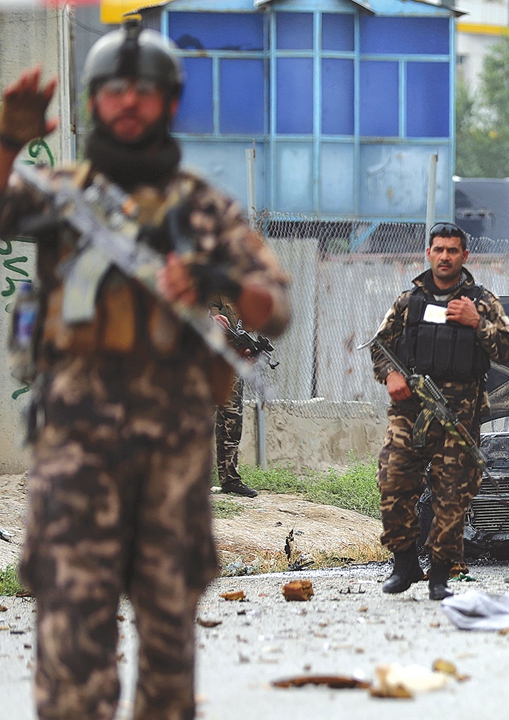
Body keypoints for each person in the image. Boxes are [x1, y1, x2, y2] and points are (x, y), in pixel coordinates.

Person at [2, 21, 290, 719]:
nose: (129, 102)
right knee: (71, 645)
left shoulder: (202, 206)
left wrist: (212, 271)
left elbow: (273, 303)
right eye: (114, 90)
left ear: (169, 101)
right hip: (76, 447)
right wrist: (9, 141)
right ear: (95, 100)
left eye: (144, 90)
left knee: (167, 653)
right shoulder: (58, 193)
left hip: (172, 453)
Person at [371, 222, 509, 599]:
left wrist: (477, 323)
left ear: (464, 256)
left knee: (452, 495)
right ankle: (403, 564)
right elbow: (379, 346)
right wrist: (390, 375)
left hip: (459, 416)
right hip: (410, 410)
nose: (445, 257)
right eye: (439, 249)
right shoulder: (409, 301)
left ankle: (439, 575)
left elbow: (508, 349)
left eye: (453, 250)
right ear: (429, 253)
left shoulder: (481, 301)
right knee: (393, 480)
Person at [211, 296, 258, 497]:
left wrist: (249, 352)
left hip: (231, 361)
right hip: (203, 358)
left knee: (232, 420)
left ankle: (230, 479)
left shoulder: (247, 286)